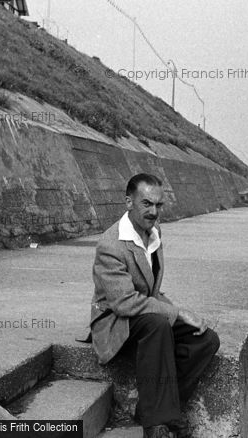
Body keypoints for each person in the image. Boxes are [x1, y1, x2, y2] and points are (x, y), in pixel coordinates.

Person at [89, 173, 220, 438]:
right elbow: (124, 302)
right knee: (159, 323)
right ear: (129, 202)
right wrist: (178, 312)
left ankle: (159, 409)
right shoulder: (111, 244)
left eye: (159, 205)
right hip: (115, 320)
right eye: (146, 204)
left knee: (206, 339)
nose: (153, 212)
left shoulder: (154, 233)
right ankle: (155, 425)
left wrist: (181, 315)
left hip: (145, 314)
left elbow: (151, 290)